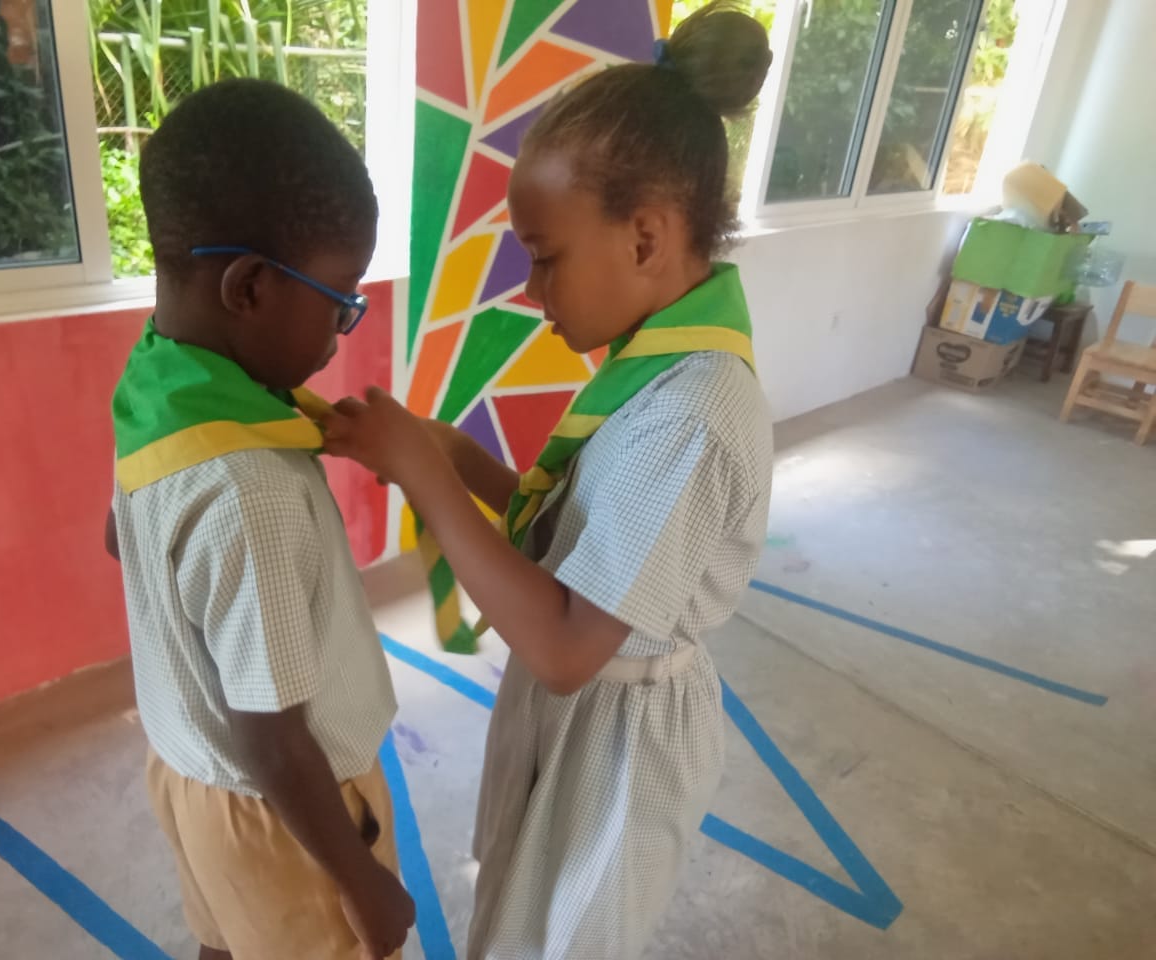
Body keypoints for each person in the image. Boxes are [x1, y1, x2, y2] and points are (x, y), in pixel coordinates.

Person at [324, 6, 774, 958]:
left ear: (646, 238)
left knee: (563, 941)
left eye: (546, 256)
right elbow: (576, 534)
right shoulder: (654, 365)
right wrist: (461, 461)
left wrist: (420, 475)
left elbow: (570, 643)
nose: (532, 290)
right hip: (582, 705)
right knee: (517, 918)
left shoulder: (689, 413)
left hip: (619, 742)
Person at [106, 79, 414, 960]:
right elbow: (275, 738)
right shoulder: (253, 489)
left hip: (188, 777)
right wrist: (363, 885)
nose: (342, 331)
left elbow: (118, 533)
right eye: (338, 301)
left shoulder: (159, 376)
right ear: (248, 288)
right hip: (289, 816)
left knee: (226, 939)